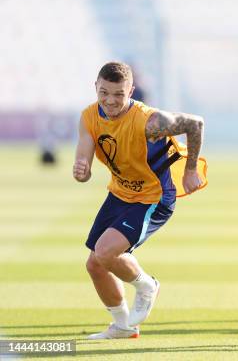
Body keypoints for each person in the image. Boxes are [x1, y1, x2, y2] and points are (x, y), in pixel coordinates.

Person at [73, 61, 206, 339]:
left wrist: (191, 169)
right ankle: (122, 326)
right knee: (95, 264)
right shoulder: (88, 117)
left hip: (153, 197)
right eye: (104, 92)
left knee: (106, 251)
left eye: (119, 94)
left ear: (131, 91)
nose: (110, 100)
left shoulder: (149, 121)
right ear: (95, 88)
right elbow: (83, 159)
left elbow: (195, 124)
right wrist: (81, 168)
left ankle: (147, 285)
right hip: (120, 193)